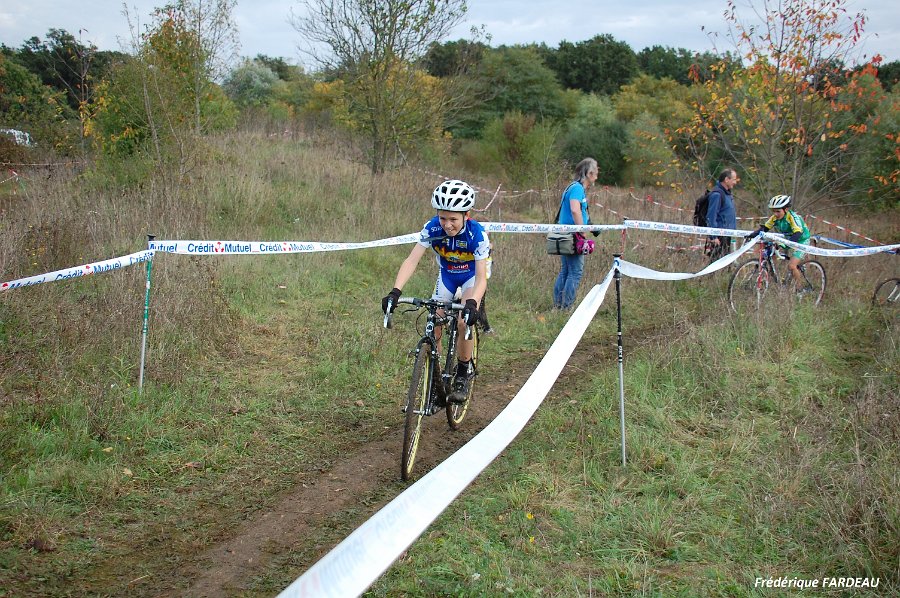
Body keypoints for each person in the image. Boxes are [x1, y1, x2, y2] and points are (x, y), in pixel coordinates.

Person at [382, 180, 490, 405]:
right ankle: (436, 374)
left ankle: (462, 374)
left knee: (463, 322)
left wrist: (472, 303)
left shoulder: (477, 235)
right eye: (443, 218)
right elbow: (411, 260)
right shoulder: (431, 228)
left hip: (471, 277)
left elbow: (481, 278)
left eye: (453, 219)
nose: (447, 225)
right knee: (434, 318)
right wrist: (395, 291)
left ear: (466, 215)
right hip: (447, 275)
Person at [552, 158, 599, 310]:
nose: (597, 174)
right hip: (572, 235)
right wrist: (581, 230)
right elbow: (575, 209)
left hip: (566, 233)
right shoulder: (577, 189)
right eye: (595, 171)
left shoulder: (572, 187)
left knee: (566, 271)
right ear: (589, 173)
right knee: (575, 272)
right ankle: (566, 307)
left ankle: (558, 306)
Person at [745, 194, 812, 293]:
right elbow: (765, 228)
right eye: (774, 211)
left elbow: (797, 233)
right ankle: (777, 279)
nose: (775, 214)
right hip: (789, 238)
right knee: (771, 253)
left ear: (786, 209)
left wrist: (784, 245)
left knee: (792, 266)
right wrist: (752, 235)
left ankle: (800, 288)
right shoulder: (774, 218)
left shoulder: (792, 217)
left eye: (778, 211)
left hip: (801, 240)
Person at [705, 168, 739, 260]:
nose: (735, 182)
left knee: (725, 262)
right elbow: (711, 216)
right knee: (716, 262)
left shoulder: (728, 194)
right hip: (719, 236)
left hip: (727, 235)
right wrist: (713, 236)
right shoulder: (717, 195)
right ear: (726, 179)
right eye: (734, 179)